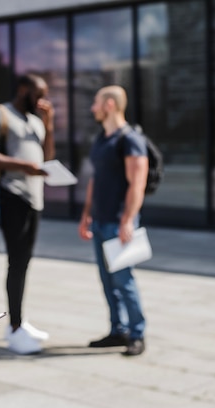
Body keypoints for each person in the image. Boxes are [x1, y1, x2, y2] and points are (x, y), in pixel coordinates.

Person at [0, 74, 55, 355]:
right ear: (23, 90)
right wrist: (22, 166)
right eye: (38, 93)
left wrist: (50, 125)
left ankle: (20, 321)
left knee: (25, 262)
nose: (42, 100)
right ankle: (15, 329)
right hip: (12, 196)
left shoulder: (35, 120)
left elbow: (47, 158)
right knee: (17, 262)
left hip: (34, 199)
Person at [78, 85, 148, 356]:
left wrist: (128, 220)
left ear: (109, 104)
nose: (92, 108)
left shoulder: (131, 139)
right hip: (100, 220)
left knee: (123, 280)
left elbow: (137, 184)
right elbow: (96, 179)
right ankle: (117, 330)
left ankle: (137, 333)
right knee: (107, 280)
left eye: (96, 103)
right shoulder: (101, 139)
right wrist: (86, 213)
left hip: (119, 223)